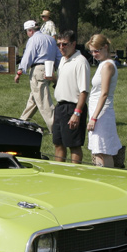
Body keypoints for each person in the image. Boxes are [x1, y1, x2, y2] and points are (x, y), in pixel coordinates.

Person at [84, 34, 122, 167]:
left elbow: (104, 93)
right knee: (97, 150)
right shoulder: (102, 64)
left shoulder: (107, 66)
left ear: (105, 47)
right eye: (91, 51)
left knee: (103, 151)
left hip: (102, 113)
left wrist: (94, 118)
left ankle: (107, 178)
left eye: (96, 51)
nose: (94, 54)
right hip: (96, 110)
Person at [52, 30, 89, 163]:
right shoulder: (62, 60)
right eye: (59, 44)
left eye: (65, 44)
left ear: (73, 44)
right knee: (58, 143)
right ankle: (59, 174)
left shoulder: (80, 62)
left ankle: (75, 173)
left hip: (73, 107)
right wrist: (53, 78)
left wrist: (77, 113)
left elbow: (84, 91)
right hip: (60, 107)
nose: (61, 47)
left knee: (74, 145)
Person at [15, 19, 60, 132]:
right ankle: (22, 122)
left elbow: (28, 56)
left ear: (30, 31)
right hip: (50, 68)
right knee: (35, 99)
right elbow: (58, 56)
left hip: (38, 69)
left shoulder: (33, 39)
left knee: (43, 101)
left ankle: (55, 128)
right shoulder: (50, 39)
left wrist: (20, 70)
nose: (27, 34)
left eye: (27, 31)